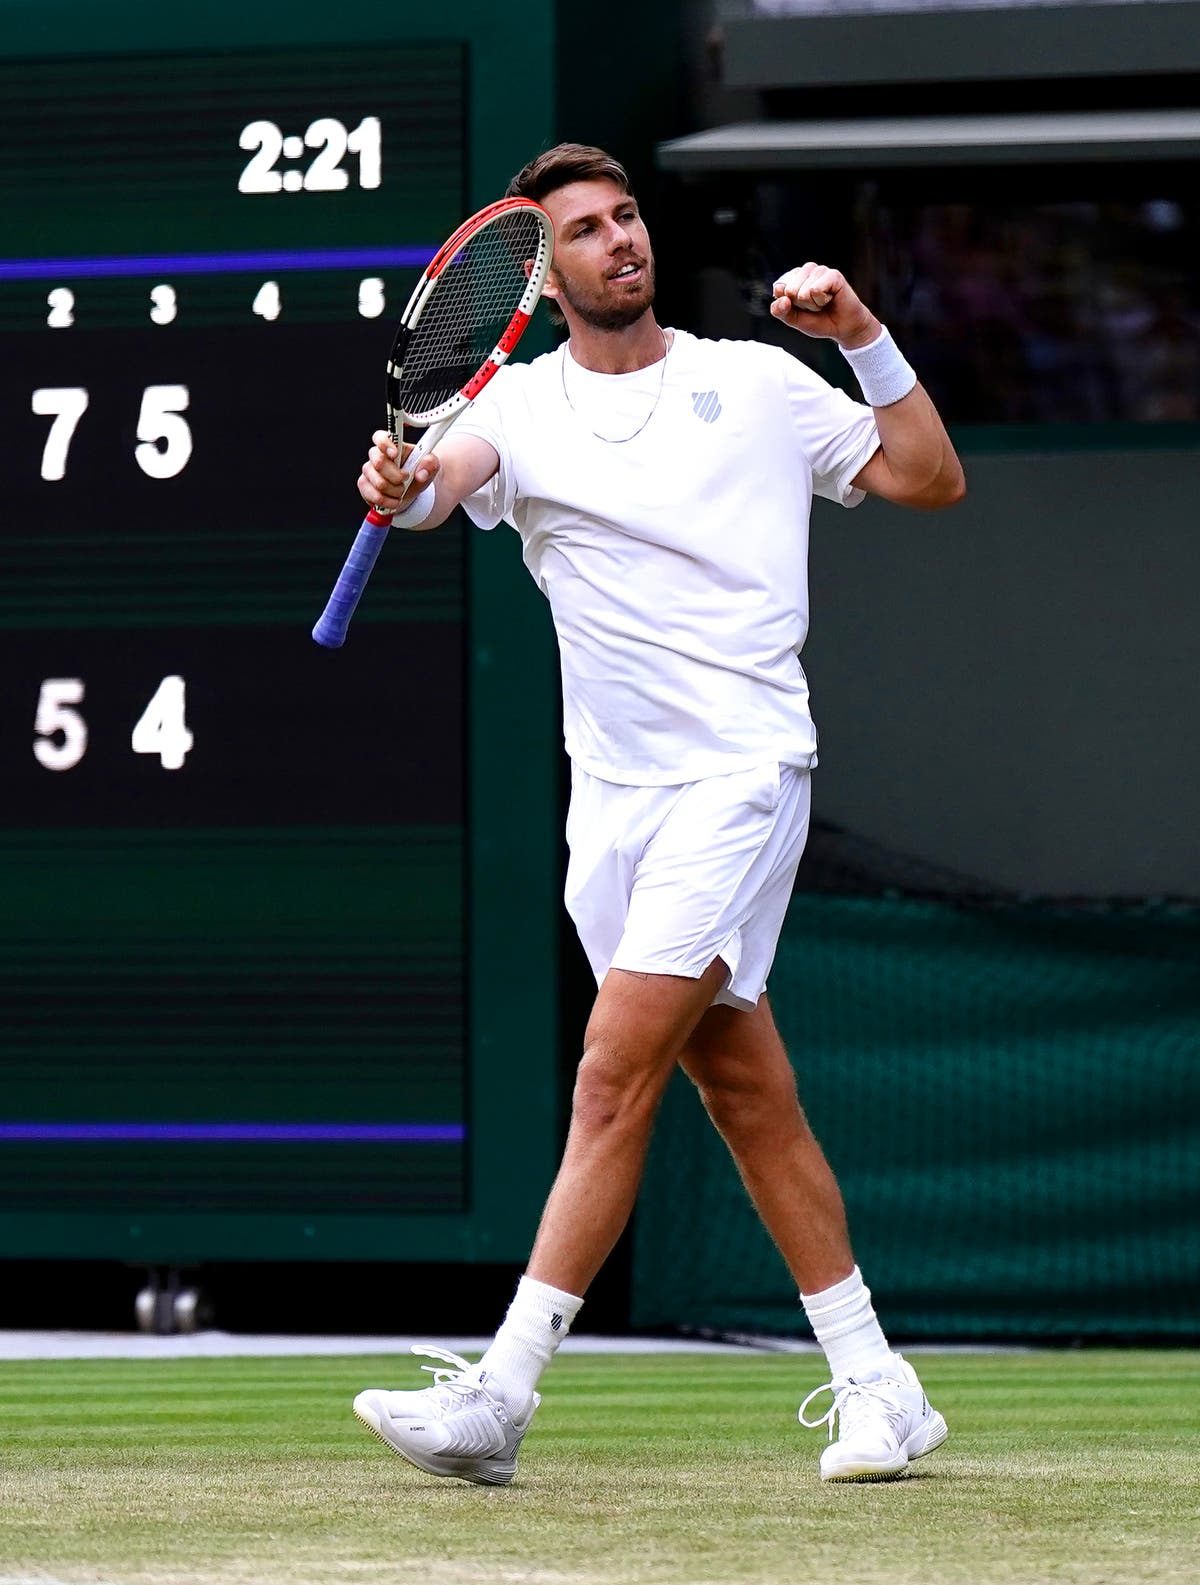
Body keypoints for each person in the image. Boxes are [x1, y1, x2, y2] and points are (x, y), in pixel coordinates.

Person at [350, 143, 965, 1487]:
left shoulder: (750, 381)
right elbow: (432, 487)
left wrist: (859, 333)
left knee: (610, 1071)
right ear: (547, 269)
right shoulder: (513, 404)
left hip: (742, 776)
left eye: (627, 217)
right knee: (745, 1092)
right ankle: (879, 1384)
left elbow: (929, 474)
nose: (620, 239)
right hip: (614, 808)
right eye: (585, 228)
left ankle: (500, 1393)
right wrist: (397, 489)